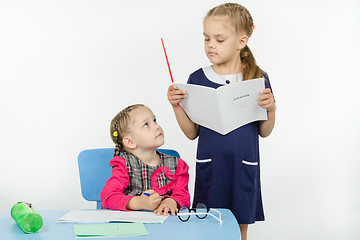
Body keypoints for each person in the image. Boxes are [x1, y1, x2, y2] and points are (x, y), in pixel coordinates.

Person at [167, 3, 275, 239]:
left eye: (219, 39)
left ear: (241, 41)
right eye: (206, 39)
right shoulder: (196, 78)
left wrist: (271, 108)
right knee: (208, 228)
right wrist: (176, 106)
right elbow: (192, 133)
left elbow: (264, 131)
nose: (211, 45)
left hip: (243, 166)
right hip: (211, 168)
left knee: (238, 230)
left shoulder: (257, 78)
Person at [100, 104, 191, 216]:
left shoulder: (178, 165)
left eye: (154, 120)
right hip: (130, 226)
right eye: (146, 124)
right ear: (130, 142)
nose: (156, 126)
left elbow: (183, 196)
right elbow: (108, 197)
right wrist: (138, 202)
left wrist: (172, 201)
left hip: (167, 225)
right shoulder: (123, 164)